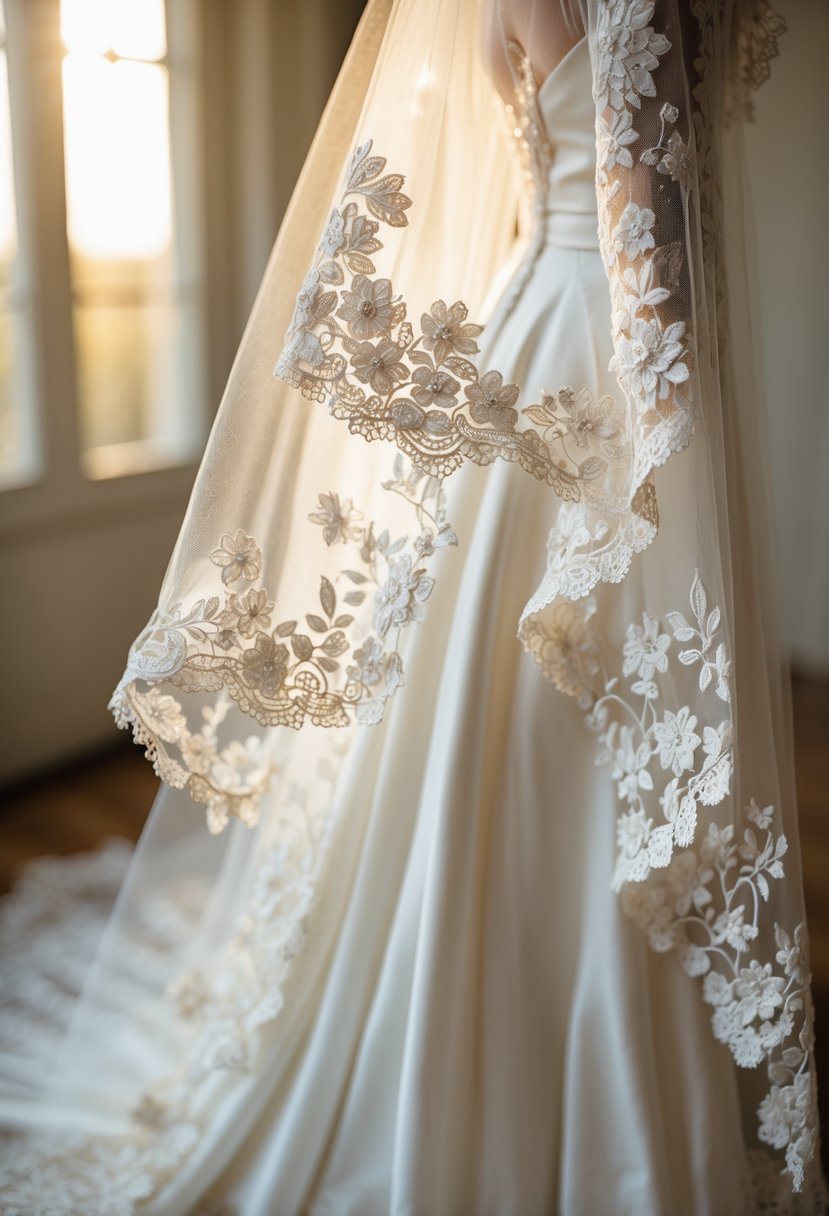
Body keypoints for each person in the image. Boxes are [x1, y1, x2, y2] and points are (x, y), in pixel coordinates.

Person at [0, 0, 823, 1211]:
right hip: (613, 347)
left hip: (539, 322)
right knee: (563, 718)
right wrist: (672, 443)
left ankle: (507, 1018)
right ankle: (539, 1061)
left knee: (511, 716)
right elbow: (644, 208)